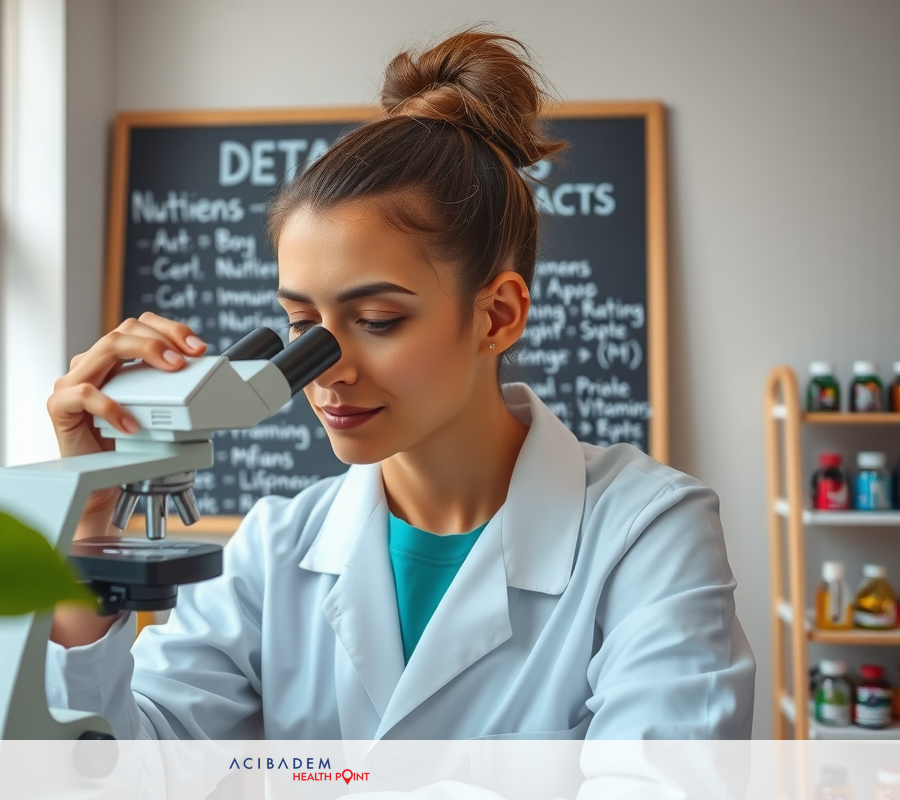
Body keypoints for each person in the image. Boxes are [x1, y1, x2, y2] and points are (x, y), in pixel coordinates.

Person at [44, 28, 755, 740]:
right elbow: (122, 769)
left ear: (496, 316)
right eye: (301, 325)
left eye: (377, 319)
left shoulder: (648, 534)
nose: (327, 368)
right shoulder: (274, 551)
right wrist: (87, 526)